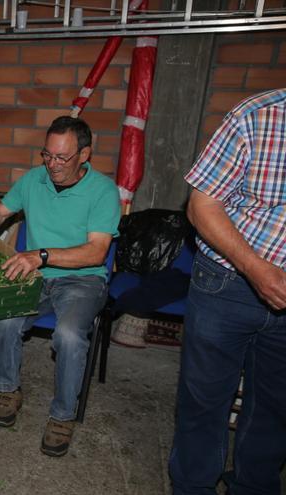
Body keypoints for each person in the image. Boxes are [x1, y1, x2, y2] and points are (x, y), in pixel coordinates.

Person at [0, 116, 120, 457]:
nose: (52, 165)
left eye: (62, 157)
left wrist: (42, 255)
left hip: (83, 279)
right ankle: (8, 390)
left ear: (85, 154)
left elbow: (96, 251)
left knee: (67, 335)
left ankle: (63, 415)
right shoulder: (33, 180)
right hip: (35, 274)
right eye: (47, 155)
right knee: (5, 317)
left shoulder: (103, 192)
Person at [169, 88, 286, 495]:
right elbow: (201, 205)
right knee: (204, 402)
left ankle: (253, 486)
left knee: (275, 407)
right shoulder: (257, 117)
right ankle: (192, 487)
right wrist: (255, 268)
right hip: (228, 282)